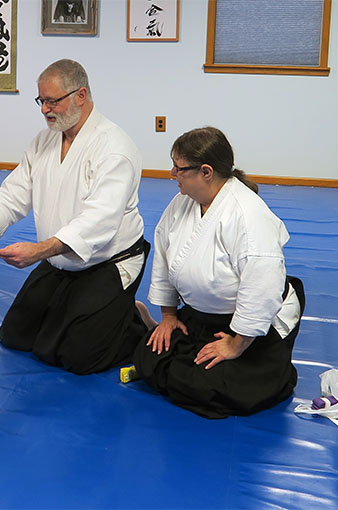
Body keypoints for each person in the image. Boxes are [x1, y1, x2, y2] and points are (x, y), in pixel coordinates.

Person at [0, 59, 149, 375]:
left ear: (80, 95)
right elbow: (13, 195)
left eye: (53, 101)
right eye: (41, 101)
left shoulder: (114, 148)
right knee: (16, 337)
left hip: (108, 261)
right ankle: (108, 311)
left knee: (80, 358)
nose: (45, 109)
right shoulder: (42, 141)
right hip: (58, 259)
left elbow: (100, 220)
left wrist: (40, 250)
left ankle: (131, 319)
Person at [132, 127, 305, 419]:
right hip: (200, 316)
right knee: (149, 359)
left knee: (221, 389)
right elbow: (163, 257)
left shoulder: (248, 215)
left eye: (179, 167)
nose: (172, 174)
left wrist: (237, 344)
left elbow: (261, 288)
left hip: (249, 325)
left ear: (206, 171)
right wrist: (169, 317)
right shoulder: (181, 203)